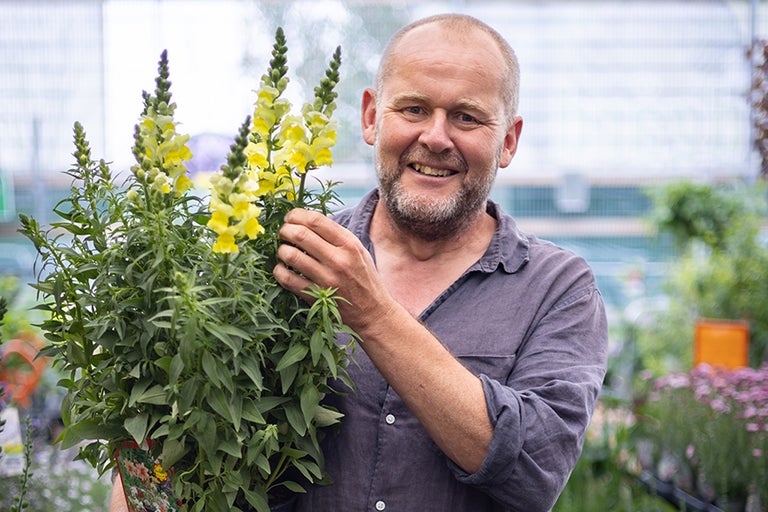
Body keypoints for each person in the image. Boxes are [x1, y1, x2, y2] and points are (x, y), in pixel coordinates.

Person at [110, 13, 607, 512]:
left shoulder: (558, 288)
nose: (436, 137)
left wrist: (371, 312)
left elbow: (533, 471)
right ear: (371, 117)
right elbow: (167, 431)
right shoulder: (283, 253)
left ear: (510, 140)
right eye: (413, 109)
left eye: (467, 117)